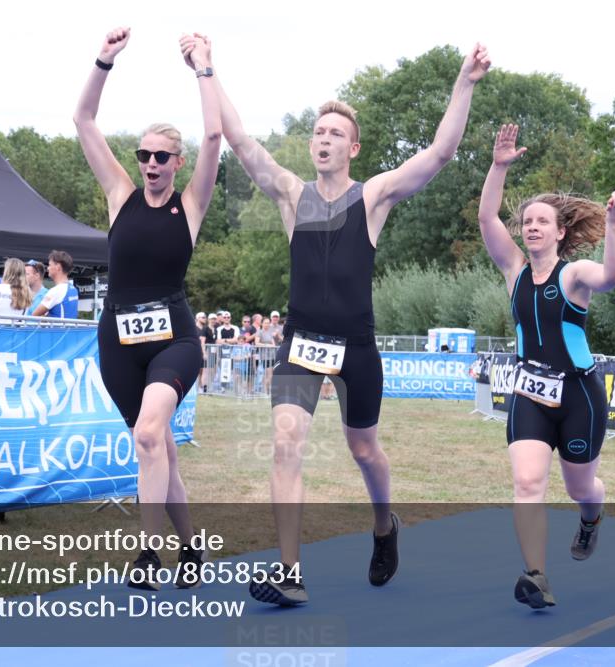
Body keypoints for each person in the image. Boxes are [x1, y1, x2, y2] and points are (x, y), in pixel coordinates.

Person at [207, 35, 491, 605]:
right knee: (286, 443)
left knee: (364, 450)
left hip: (356, 345)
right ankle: (290, 574)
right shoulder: (291, 194)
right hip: (301, 342)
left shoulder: (374, 197)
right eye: (317, 132)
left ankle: (385, 526)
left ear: (354, 148)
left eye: (335, 133)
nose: (323, 140)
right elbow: (238, 140)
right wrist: (206, 69)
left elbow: (438, 154)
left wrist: (463, 84)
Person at [73, 27, 221, 588]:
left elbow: (214, 136)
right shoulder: (119, 195)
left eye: (161, 156)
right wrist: (103, 60)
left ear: (177, 162)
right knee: (158, 449)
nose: (151, 163)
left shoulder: (191, 205)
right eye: (144, 155)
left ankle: (147, 554)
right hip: (118, 344)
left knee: (148, 434)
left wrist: (203, 67)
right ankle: (191, 550)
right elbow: (84, 121)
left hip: (174, 340)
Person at [478, 124, 615, 609]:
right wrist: (499, 167)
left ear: (561, 232)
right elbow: (486, 219)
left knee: (580, 486)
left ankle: (592, 517)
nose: (532, 227)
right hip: (530, 397)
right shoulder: (514, 272)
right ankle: (536, 576)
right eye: (527, 222)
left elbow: (609, 275)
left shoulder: (574, 274)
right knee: (526, 482)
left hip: (579, 396)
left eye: (543, 221)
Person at [32, 250, 79, 318]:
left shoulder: (56, 291)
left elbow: (34, 315)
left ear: (58, 267)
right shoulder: (73, 289)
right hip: (68, 328)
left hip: (58, 328)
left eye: (50, 265)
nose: (48, 268)